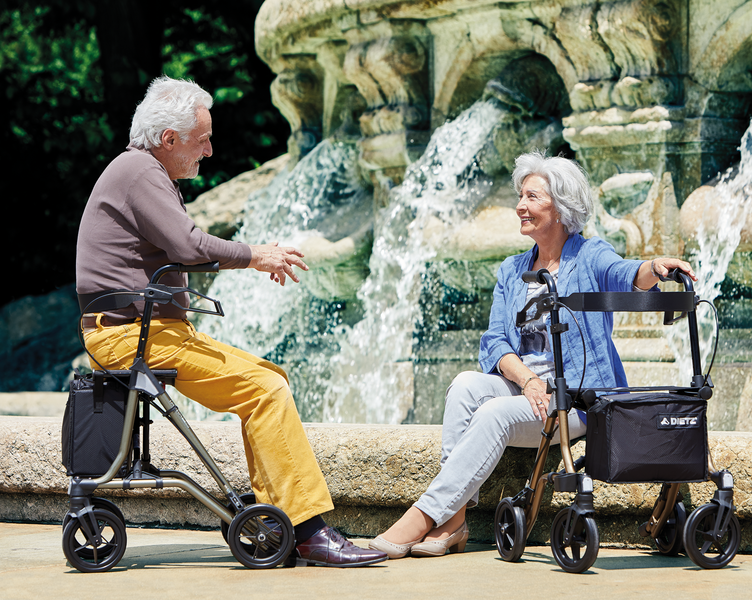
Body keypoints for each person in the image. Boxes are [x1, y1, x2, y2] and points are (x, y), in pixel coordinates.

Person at [75, 76, 387, 568]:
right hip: (129, 336)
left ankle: (279, 515)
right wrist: (256, 254)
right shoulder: (140, 172)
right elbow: (189, 245)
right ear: (169, 139)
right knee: (264, 389)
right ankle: (308, 530)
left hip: (140, 331)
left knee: (269, 381)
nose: (211, 150)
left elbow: (181, 249)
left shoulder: (140, 171)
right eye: (203, 140)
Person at [369, 151, 697, 558]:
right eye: (520, 197)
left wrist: (654, 266)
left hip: (575, 399)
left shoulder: (589, 255)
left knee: (491, 412)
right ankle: (453, 523)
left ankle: (423, 517)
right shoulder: (512, 270)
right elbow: (494, 342)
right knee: (465, 385)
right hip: (529, 390)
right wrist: (526, 380)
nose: (520, 206)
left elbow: (625, 273)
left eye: (532, 197)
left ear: (560, 208)